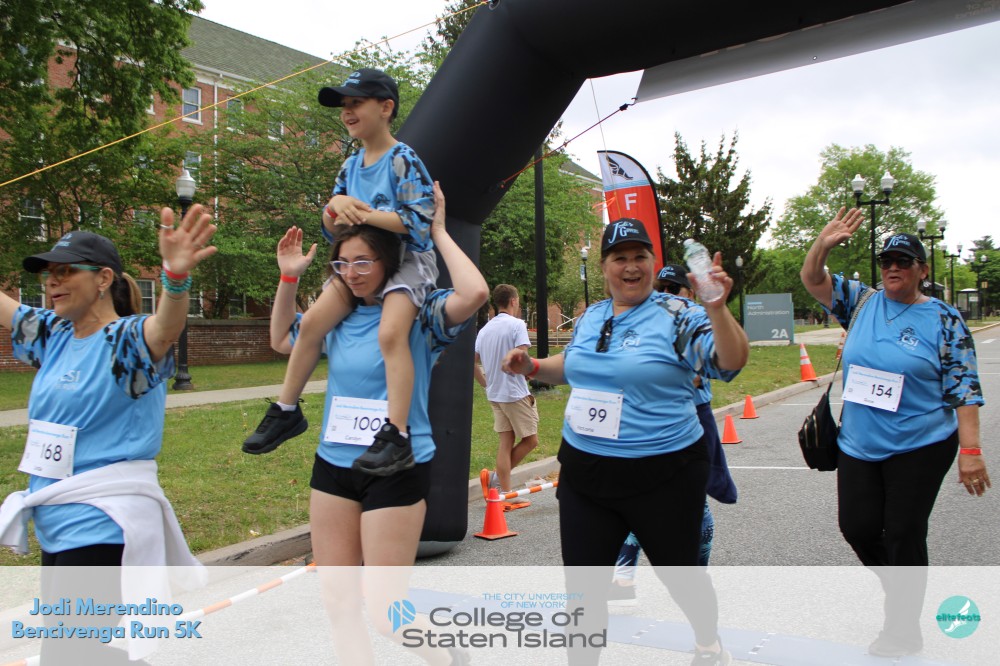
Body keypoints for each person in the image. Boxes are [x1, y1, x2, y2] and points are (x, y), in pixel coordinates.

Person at [502, 219, 749, 666]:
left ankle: (709, 644)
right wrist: (533, 366)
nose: (630, 266)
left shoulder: (679, 315)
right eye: (620, 258)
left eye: (640, 257)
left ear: (653, 263)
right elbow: (574, 365)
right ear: (604, 267)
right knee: (583, 591)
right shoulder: (593, 316)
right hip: (586, 471)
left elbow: (729, 361)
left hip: (664, 472)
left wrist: (716, 308)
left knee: (681, 575)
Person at [268, 182, 486, 665]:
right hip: (334, 466)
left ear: (388, 262)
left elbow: (474, 293)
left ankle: (450, 656)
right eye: (342, 264)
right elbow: (283, 341)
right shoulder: (335, 318)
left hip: (396, 468)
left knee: (387, 613)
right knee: (339, 604)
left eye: (363, 262)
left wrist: (438, 231)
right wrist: (288, 278)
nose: (352, 273)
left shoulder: (421, 315)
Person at [0, 209, 215, 664]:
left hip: (103, 521)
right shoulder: (54, 334)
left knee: (68, 653)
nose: (52, 282)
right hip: (56, 521)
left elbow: (166, 329)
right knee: (76, 651)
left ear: (102, 279)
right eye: (49, 273)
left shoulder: (125, 341)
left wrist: (175, 279)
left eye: (65, 271)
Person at [800, 208, 990, 658]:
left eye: (904, 261)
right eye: (887, 261)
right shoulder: (861, 302)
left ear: (922, 270)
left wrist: (971, 451)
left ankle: (903, 628)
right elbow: (812, 279)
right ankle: (905, 587)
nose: (893, 268)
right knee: (858, 528)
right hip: (859, 443)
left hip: (921, 444)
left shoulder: (943, 319)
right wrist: (822, 243)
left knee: (904, 532)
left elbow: (964, 388)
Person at [243, 68, 438, 481]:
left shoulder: (402, 159)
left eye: (356, 103)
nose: (347, 112)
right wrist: (334, 208)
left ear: (385, 108)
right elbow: (332, 229)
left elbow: (420, 223)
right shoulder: (351, 166)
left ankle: (397, 433)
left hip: (406, 261)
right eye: (344, 105)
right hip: (358, 262)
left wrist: (362, 213)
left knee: (391, 334)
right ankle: (286, 409)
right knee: (313, 323)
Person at [609, 264, 739, 605]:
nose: (666, 294)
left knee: (691, 501)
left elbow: (711, 365)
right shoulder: (648, 319)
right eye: (662, 287)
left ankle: (690, 577)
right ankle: (627, 579)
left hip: (690, 418)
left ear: (689, 291)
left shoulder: (695, 317)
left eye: (674, 288)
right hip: (654, 420)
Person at [474, 284, 539, 497]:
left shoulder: (485, 330)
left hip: (495, 393)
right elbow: (522, 357)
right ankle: (496, 481)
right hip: (514, 392)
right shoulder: (517, 324)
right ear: (513, 301)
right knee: (531, 440)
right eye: (517, 301)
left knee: (506, 442)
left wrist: (485, 383)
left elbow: (472, 361)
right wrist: (531, 373)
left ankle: (503, 490)